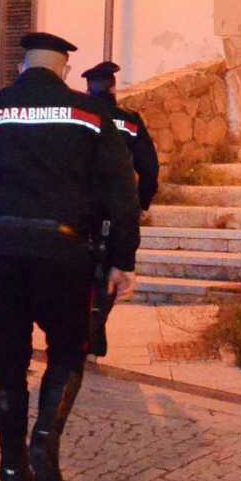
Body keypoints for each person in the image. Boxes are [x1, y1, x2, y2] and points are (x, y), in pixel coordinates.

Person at [0, 32, 140, 481]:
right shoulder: (89, 114)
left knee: (10, 356)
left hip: (1, 251)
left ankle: (11, 468)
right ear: (64, 69)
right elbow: (121, 191)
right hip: (66, 254)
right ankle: (45, 437)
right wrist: (122, 260)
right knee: (67, 351)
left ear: (22, 67)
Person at [83, 61, 160, 357]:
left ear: (88, 89)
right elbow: (149, 168)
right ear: (114, 88)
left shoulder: (80, 117)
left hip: (80, 209)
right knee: (112, 271)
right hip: (116, 210)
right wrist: (141, 203)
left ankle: (86, 333)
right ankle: (95, 330)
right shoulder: (129, 120)